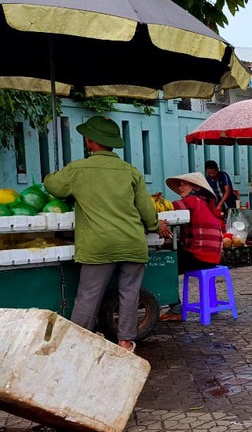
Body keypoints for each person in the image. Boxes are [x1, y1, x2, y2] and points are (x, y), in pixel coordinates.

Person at [44, 116, 169, 353]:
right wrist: (156, 225)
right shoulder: (130, 171)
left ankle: (77, 343)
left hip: (98, 244)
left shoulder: (79, 169)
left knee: (89, 295)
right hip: (132, 243)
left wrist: (55, 176)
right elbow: (146, 209)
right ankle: (125, 341)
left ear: (90, 142)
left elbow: (53, 186)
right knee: (129, 293)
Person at [159, 173, 223, 320]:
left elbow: (168, 210)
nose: (181, 188)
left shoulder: (192, 201)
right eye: (180, 184)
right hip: (212, 256)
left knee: (165, 265)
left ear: (195, 187)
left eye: (184, 184)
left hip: (201, 256)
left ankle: (176, 308)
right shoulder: (205, 202)